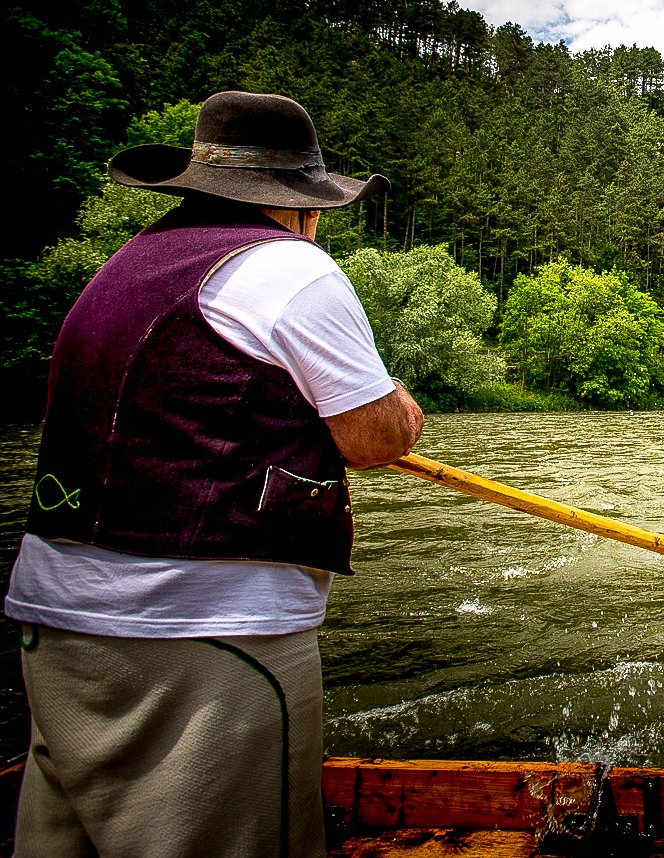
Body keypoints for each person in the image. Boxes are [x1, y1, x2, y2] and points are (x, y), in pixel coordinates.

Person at [5, 91, 425, 857]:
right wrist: (400, 401)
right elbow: (373, 437)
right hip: (203, 631)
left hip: (52, 618)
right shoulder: (293, 269)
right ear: (301, 204)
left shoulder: (124, 264)